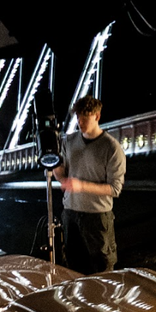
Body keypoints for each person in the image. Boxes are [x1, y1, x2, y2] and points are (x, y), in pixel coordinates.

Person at [58, 96, 126, 273]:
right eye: (78, 117)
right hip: (70, 213)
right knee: (73, 267)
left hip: (97, 217)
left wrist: (82, 186)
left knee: (101, 269)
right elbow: (63, 176)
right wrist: (55, 169)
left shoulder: (111, 147)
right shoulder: (69, 141)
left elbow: (115, 189)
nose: (80, 122)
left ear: (97, 116)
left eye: (85, 118)